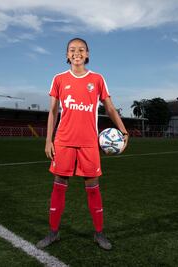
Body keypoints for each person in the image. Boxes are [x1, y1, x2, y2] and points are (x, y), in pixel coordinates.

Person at [36, 38, 129, 250]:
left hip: (89, 143)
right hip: (64, 142)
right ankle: (53, 233)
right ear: (67, 55)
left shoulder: (97, 79)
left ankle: (99, 233)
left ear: (87, 54)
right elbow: (52, 111)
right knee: (59, 187)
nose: (76, 53)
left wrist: (123, 130)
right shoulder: (59, 79)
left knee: (93, 189)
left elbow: (111, 108)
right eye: (72, 50)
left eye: (81, 50)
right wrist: (48, 140)